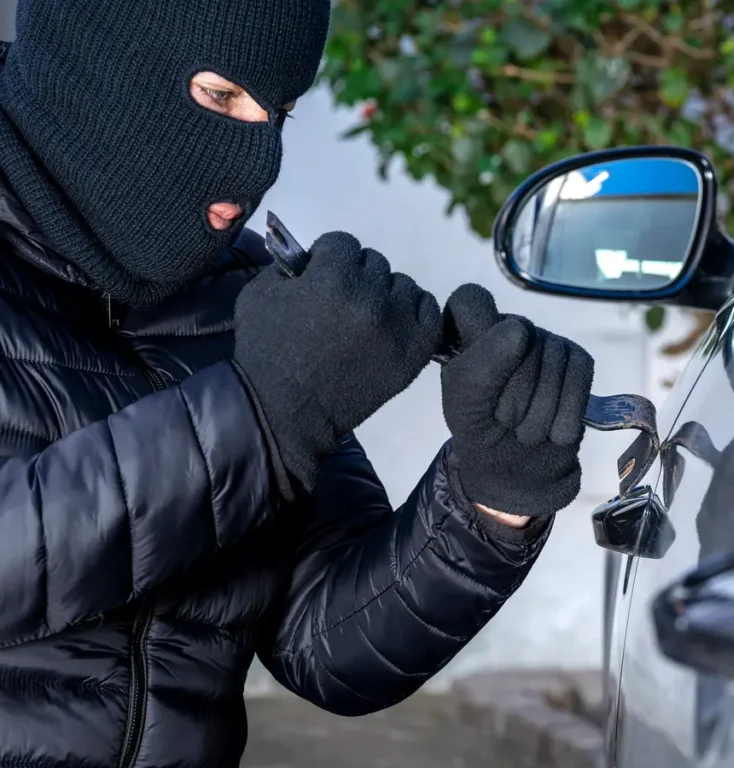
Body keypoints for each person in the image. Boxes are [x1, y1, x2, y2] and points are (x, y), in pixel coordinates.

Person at [0, 1, 595, 766]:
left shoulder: (240, 291)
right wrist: (258, 418)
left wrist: (489, 498)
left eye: (278, 113)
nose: (257, 163)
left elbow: (325, 644)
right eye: (220, 96)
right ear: (94, 59)